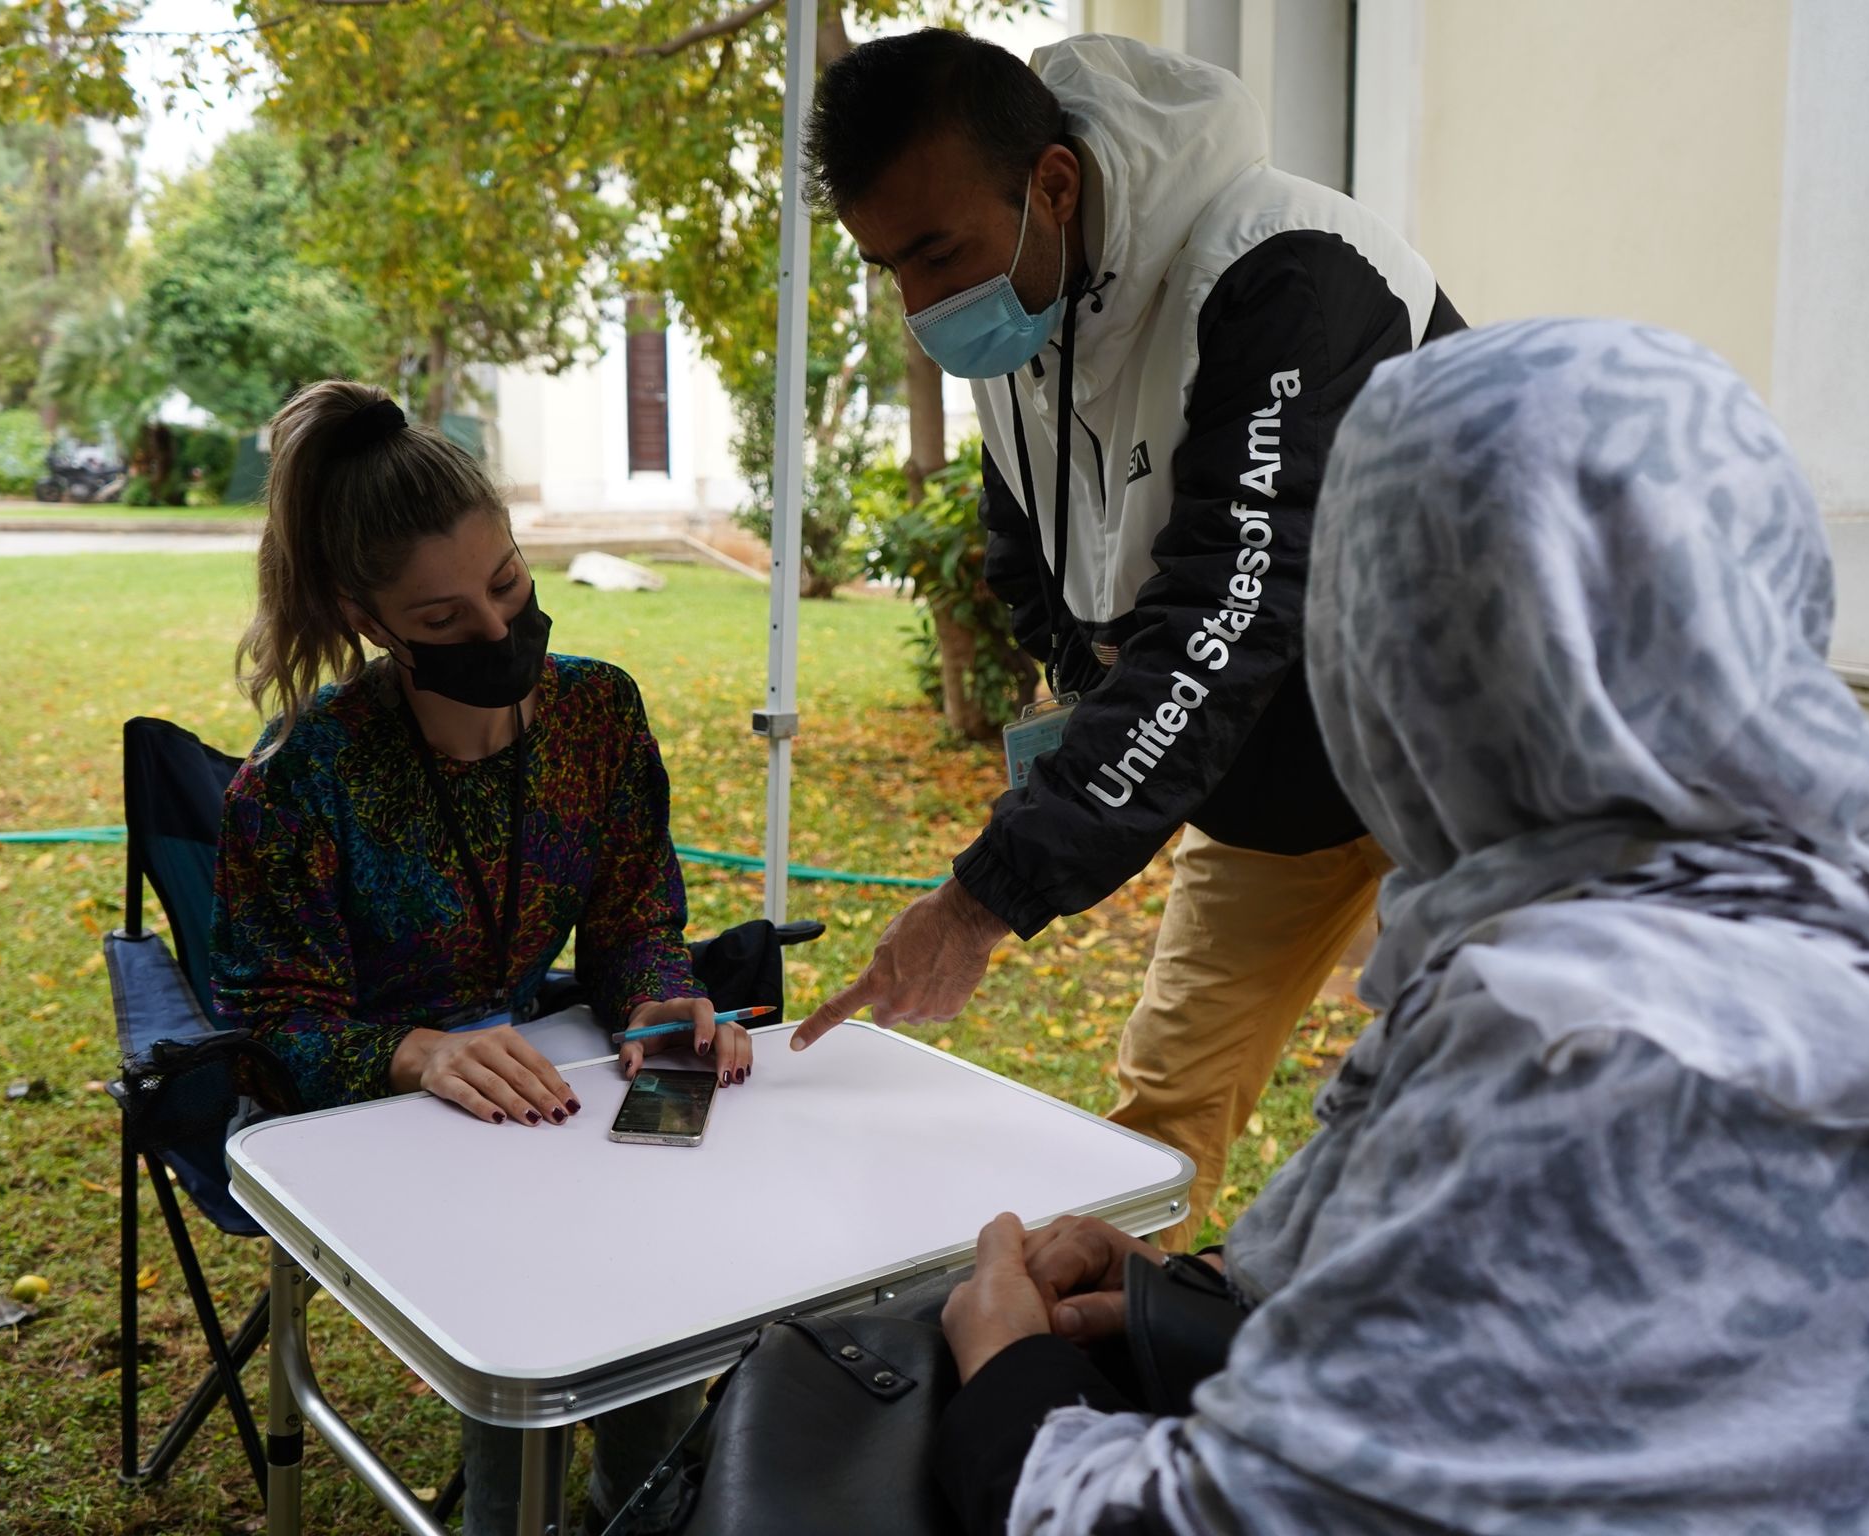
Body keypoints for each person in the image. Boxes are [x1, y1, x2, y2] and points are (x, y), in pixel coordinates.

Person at [927, 319, 1869, 1534]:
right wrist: (1174, 1294)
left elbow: (1199, 1521)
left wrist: (1008, 1376)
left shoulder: (1568, 1047)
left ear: (1389, 649)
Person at [788, 28, 1466, 1242]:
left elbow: (1229, 610)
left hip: (1469, 776)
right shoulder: (1020, 314)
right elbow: (1032, 557)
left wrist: (987, 895)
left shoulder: (1280, 274)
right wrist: (1078, 703)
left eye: (935, 252)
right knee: (1158, 1118)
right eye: (888, 266)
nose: (920, 306)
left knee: (1491, 1127)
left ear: (1053, 185)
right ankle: (1115, 1374)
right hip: (1274, 795)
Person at [209, 380, 744, 1534]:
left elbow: (633, 923)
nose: (500, 634)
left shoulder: (599, 715)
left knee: (653, 1281)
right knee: (536, 1321)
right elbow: (269, 1026)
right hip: (356, 1118)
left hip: (537, 1095)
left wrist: (662, 1004)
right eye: (446, 621)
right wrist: (414, 1055)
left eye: (507, 584)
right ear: (369, 619)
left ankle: (642, 1507)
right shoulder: (304, 777)